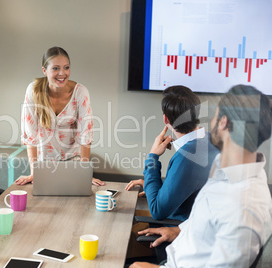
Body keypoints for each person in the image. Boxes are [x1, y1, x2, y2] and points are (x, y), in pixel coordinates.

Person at [130, 85, 272, 268]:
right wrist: (179, 230)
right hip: (177, 251)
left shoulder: (244, 206)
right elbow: (206, 215)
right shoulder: (230, 170)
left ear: (223, 122)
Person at [126, 86, 218, 222]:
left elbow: (157, 211)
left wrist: (153, 156)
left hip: (178, 235)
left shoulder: (187, 157)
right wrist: (153, 186)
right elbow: (190, 184)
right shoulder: (212, 141)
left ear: (166, 119)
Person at [16, 46, 104, 186]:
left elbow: (85, 135)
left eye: (66, 67)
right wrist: (34, 172)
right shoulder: (33, 91)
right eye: (55, 68)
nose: (62, 73)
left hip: (73, 161)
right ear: (44, 70)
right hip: (43, 163)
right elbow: (30, 135)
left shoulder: (80, 92)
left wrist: (83, 172)